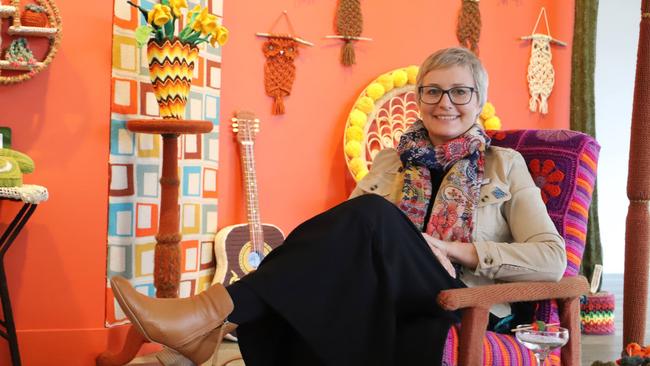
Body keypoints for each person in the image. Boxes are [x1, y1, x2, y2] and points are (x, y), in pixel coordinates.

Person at [110, 47, 566, 366]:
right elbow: (344, 238)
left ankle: (210, 315)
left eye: (459, 92)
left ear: (479, 101)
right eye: (432, 91)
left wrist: (454, 249)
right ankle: (210, 318)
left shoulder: (504, 165)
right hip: (386, 295)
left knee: (371, 216)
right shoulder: (392, 160)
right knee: (350, 225)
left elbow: (553, 259)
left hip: (459, 295)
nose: (444, 103)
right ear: (419, 98)